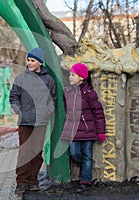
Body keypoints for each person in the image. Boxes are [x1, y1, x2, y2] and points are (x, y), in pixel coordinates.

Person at [9, 47, 57, 195]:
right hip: (25, 122)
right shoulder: (21, 78)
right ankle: (21, 183)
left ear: (40, 62)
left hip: (41, 122)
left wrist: (48, 111)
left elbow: (53, 99)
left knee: (36, 153)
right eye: (28, 60)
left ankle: (33, 180)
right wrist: (19, 110)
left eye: (32, 60)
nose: (29, 63)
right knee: (24, 153)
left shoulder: (48, 80)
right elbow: (14, 97)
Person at [60, 63, 106, 192]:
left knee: (88, 156)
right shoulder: (67, 92)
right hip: (73, 131)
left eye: (73, 75)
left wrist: (101, 132)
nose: (70, 77)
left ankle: (85, 181)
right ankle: (87, 168)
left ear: (81, 77)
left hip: (88, 130)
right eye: (70, 74)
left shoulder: (89, 93)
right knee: (74, 153)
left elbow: (98, 113)